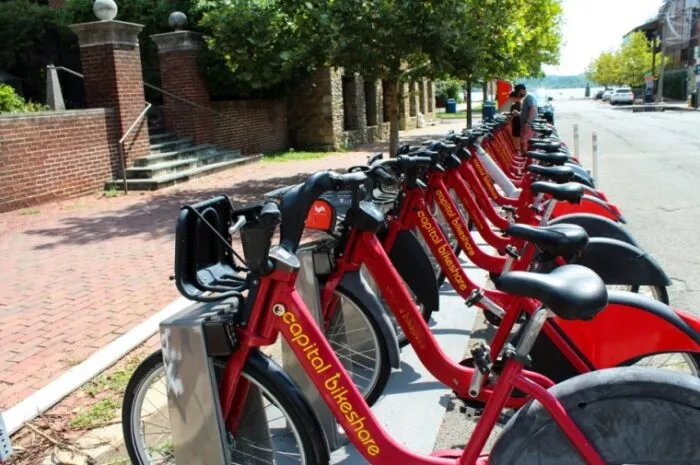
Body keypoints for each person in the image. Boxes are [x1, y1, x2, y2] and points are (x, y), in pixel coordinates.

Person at [514, 84, 538, 153]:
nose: (518, 95)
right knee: (526, 144)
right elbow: (527, 111)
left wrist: (527, 122)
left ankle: (526, 158)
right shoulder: (528, 97)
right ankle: (527, 158)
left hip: (529, 125)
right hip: (528, 124)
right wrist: (518, 113)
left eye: (518, 93)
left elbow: (533, 109)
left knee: (524, 143)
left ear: (521, 90)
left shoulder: (529, 97)